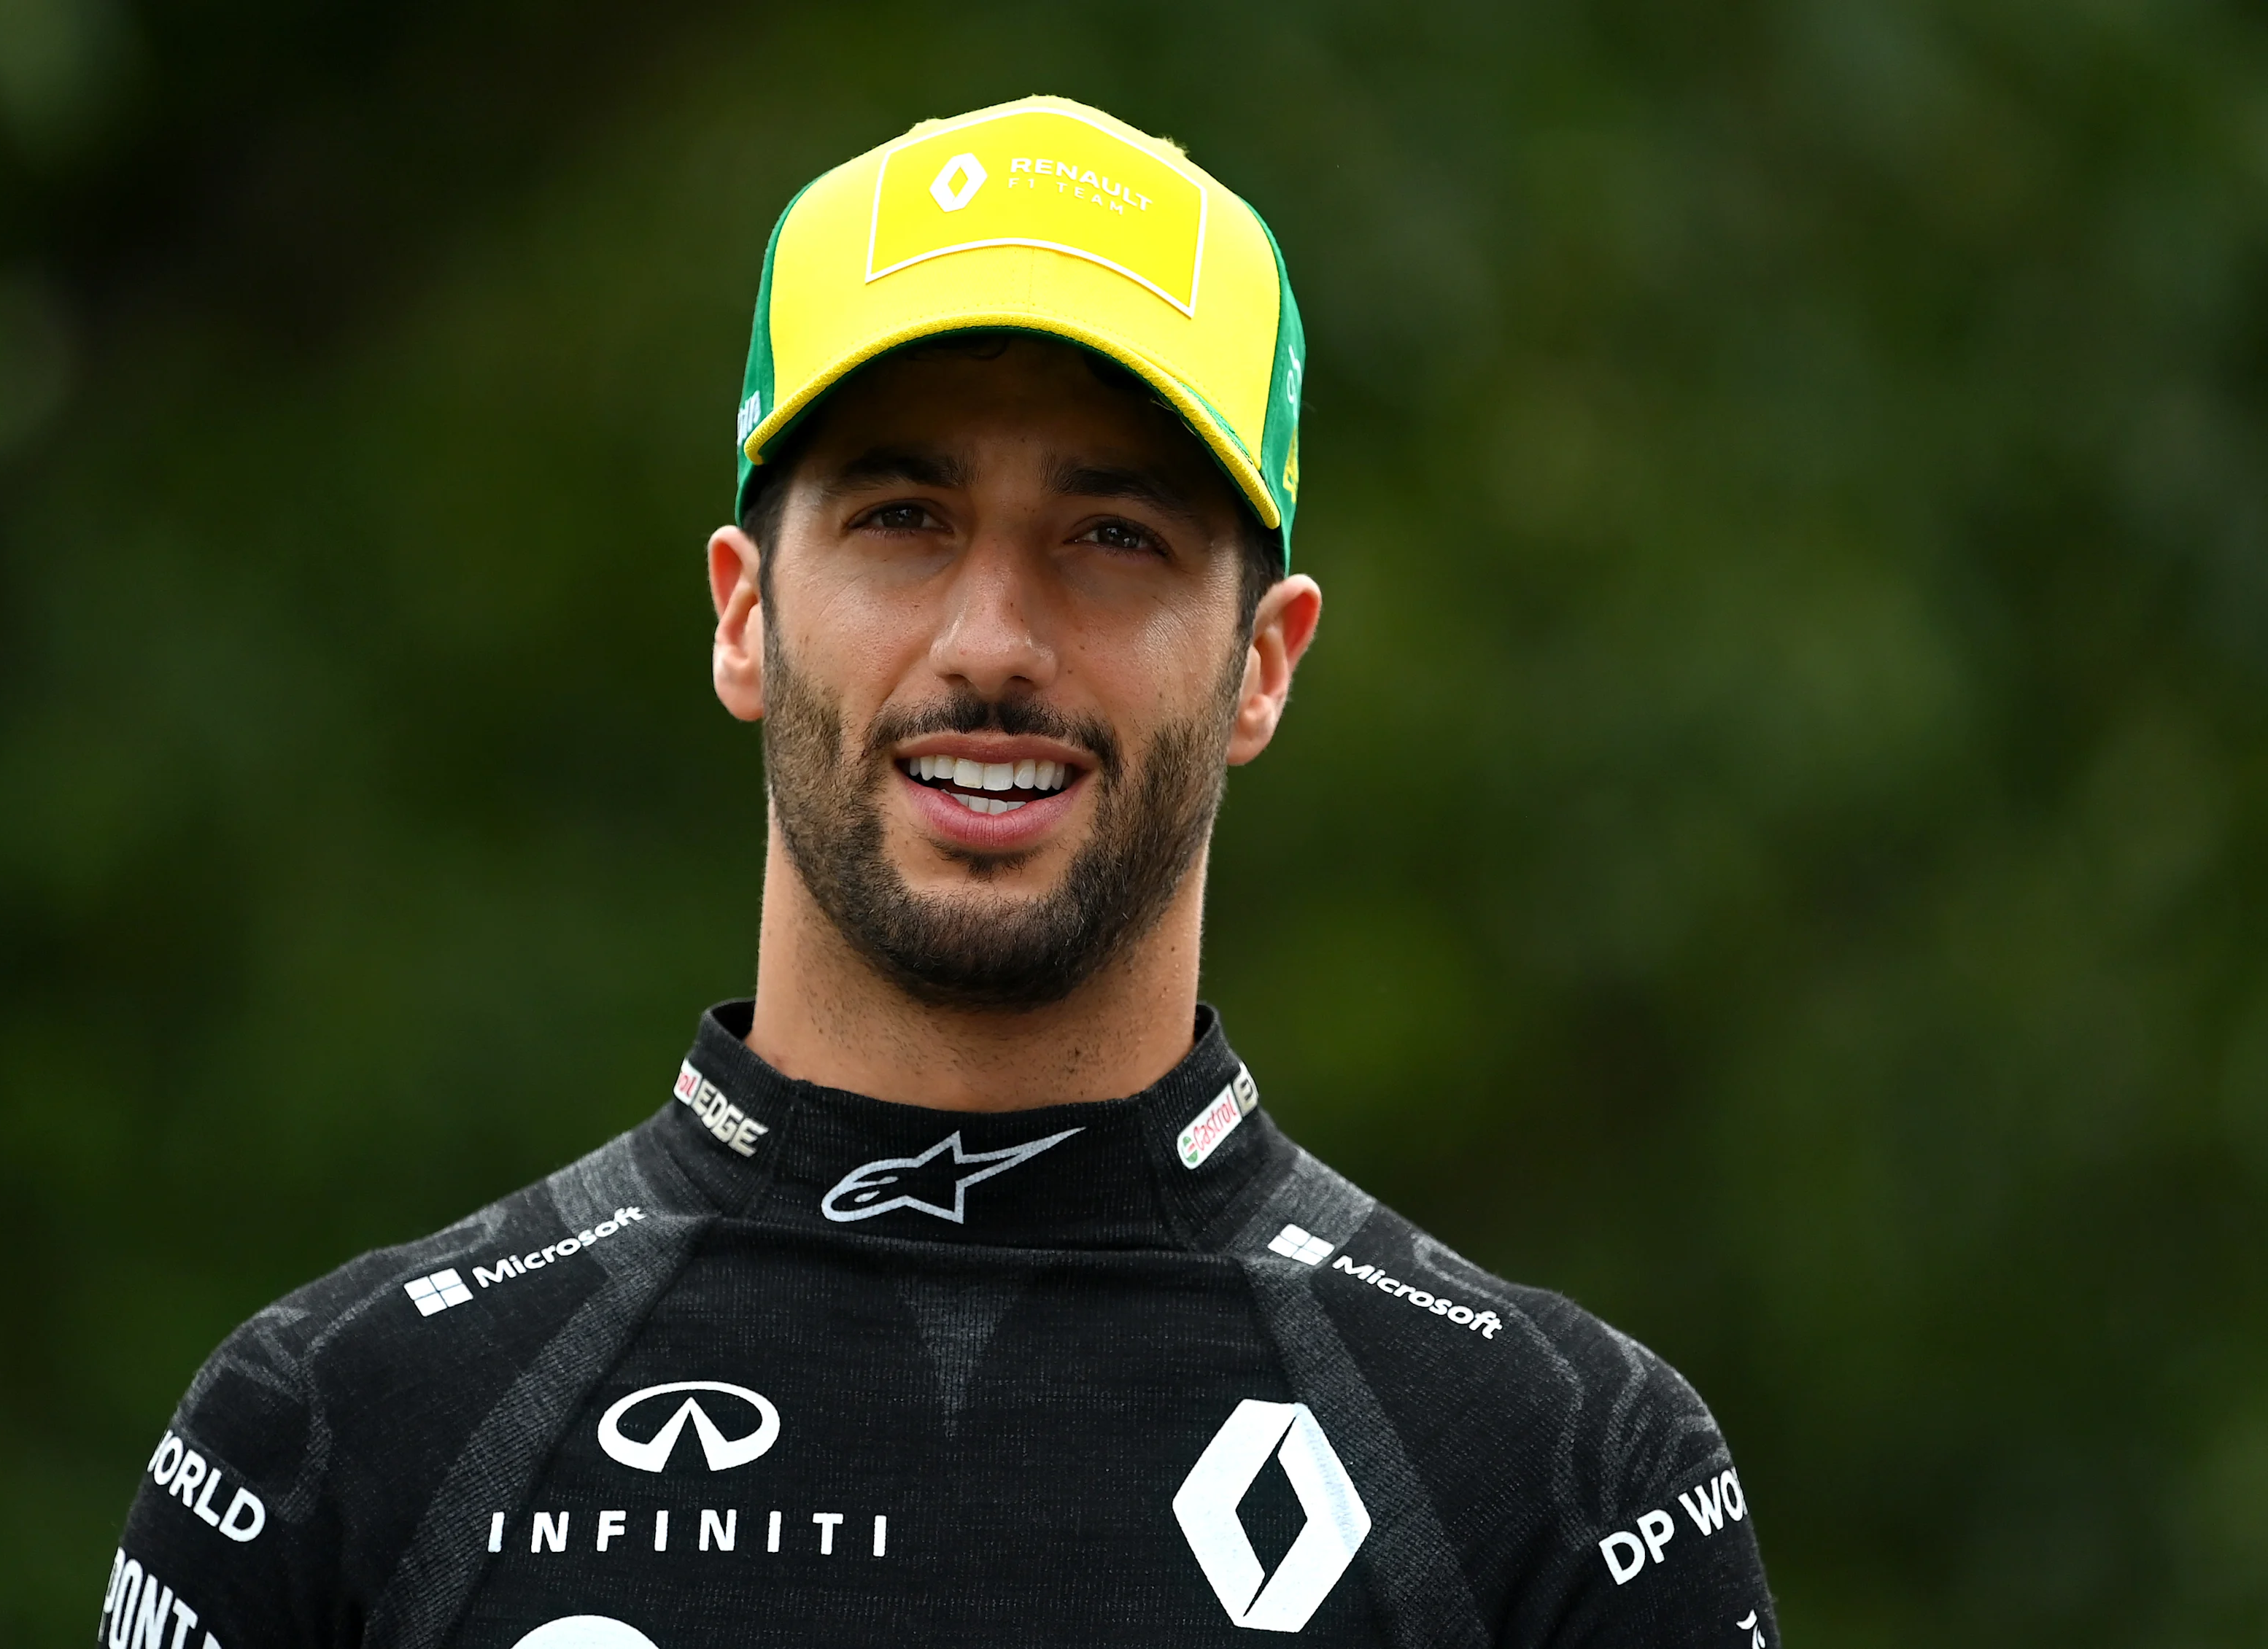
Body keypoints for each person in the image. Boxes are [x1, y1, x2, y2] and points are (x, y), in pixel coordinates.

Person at [98, 96, 1779, 1649]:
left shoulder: (1562, 1483)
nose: (991, 642)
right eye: (903, 516)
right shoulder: (337, 1437)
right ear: (744, 610)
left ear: (1263, 661)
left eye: (1112, 535)